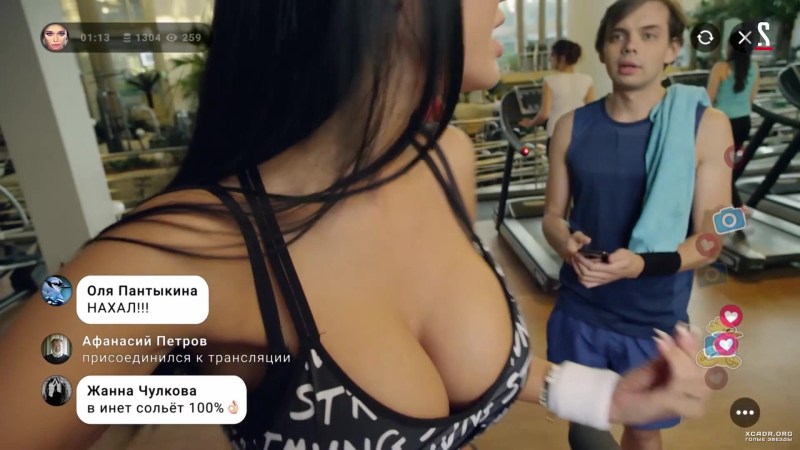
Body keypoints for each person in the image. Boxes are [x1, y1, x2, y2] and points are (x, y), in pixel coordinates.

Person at [0, 2, 709, 449]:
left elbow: (487, 374)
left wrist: (605, 395)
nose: (500, 6)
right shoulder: (174, 259)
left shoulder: (446, 162)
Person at [542, 0, 732, 449]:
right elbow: (551, 216)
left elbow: (711, 241)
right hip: (581, 310)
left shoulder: (706, 126)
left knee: (644, 432)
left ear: (672, 49)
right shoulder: (570, 126)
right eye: (618, 36)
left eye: (648, 35)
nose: (630, 47)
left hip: (653, 320)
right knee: (585, 428)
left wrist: (642, 265)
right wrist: (566, 242)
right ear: (603, 50)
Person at [707, 43, 760, 209]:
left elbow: (708, 99)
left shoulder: (721, 67)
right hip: (743, 123)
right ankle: (729, 205)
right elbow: (751, 98)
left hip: (723, 123)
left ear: (730, 47)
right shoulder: (754, 67)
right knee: (728, 166)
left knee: (721, 168)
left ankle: (738, 207)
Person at [519, 39, 595, 154]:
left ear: (562, 58)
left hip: (556, 134)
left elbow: (544, 114)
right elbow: (592, 111)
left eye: (552, 55)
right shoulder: (587, 80)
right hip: (580, 134)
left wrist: (531, 124)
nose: (550, 59)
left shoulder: (550, 81)